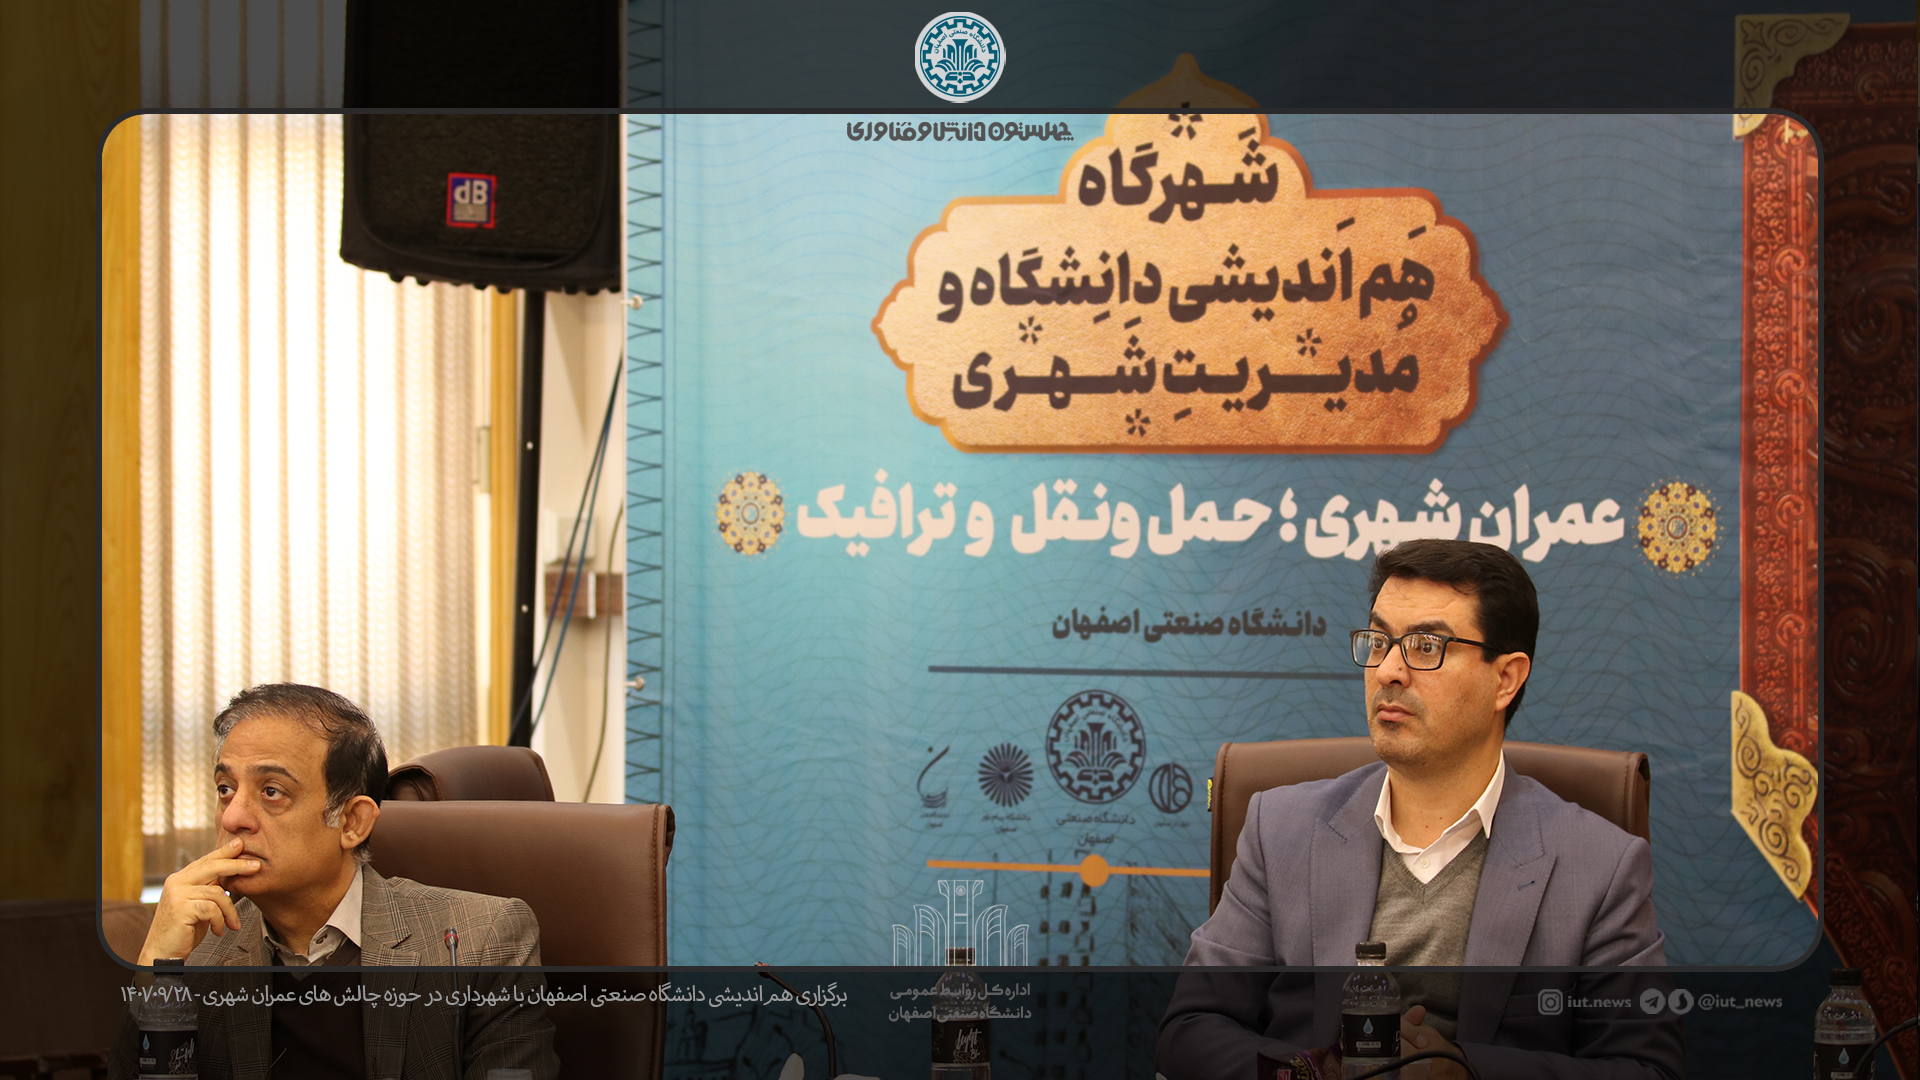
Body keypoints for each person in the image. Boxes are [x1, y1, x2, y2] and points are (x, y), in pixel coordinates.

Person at [1160, 539, 1678, 1079]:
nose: (1388, 670)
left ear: (1505, 679)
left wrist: (1465, 1071)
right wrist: (1316, 1072)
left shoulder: (1599, 867)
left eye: (1426, 646)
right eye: (1379, 641)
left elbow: (1648, 1069)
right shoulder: (1281, 830)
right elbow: (1189, 1030)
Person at [113, 683, 557, 1080]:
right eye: (225, 789)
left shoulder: (479, 941)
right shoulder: (198, 951)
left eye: (271, 791)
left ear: (351, 822)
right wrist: (155, 969)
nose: (233, 818)